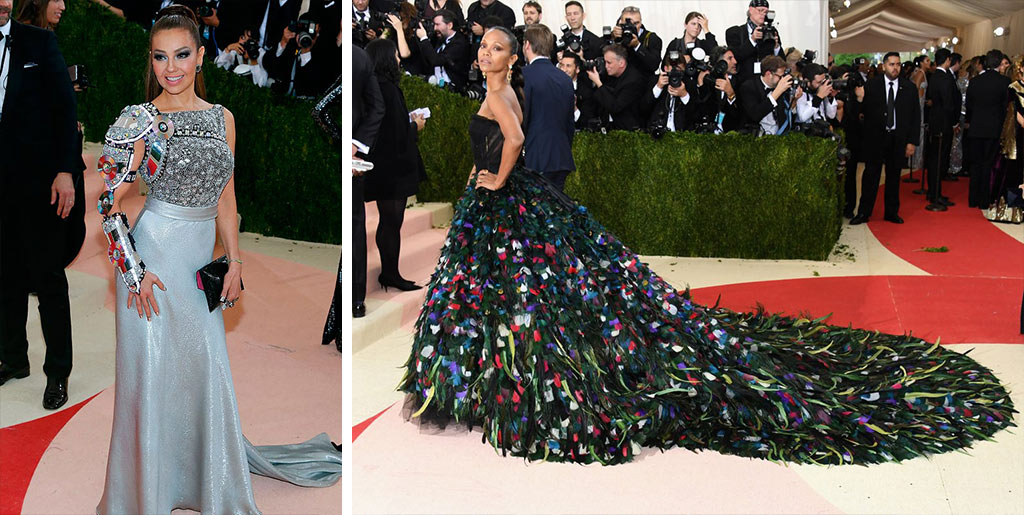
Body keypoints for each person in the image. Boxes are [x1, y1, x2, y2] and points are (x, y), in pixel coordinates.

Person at [398, 25, 1015, 468]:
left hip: (502, 201)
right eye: (483, 45)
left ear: (514, 54)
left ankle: (482, 382)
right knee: (516, 295)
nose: (485, 53)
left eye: (496, 47)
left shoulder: (504, 93)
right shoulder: (509, 85)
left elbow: (511, 139)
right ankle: (485, 379)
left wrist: (501, 176)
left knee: (515, 295)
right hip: (503, 205)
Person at [94, 8, 341, 513]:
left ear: (201, 54)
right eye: (160, 57)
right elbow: (110, 207)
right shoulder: (141, 120)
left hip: (198, 262)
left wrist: (235, 260)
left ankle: (202, 476)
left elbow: (226, 198)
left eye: (182, 54)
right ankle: (147, 492)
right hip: (152, 266)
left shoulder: (222, 118)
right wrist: (135, 273)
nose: (172, 67)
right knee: (152, 374)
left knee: (203, 368)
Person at [0, 0, 80, 410]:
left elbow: (66, 111)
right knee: (5, 276)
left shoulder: (39, 43)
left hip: (40, 184)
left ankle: (58, 372)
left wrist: (66, 169)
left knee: (48, 279)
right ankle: (13, 359)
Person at [364, 38, 428, 292]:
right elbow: (397, 133)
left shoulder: (374, 86)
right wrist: (415, 125)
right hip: (393, 168)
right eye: (395, 55)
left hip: (383, 166)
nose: (398, 60)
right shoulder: (387, 88)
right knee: (392, 222)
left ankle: (390, 272)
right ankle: (391, 274)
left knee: (388, 222)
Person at [850, 52, 919, 225]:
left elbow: (915, 116)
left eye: (898, 64)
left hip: (898, 138)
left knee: (894, 176)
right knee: (871, 175)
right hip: (875, 138)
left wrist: (912, 141)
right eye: (891, 64)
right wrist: (859, 98)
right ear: (884, 65)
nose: (895, 68)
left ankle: (891, 212)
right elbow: (859, 111)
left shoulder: (909, 87)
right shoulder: (872, 85)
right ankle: (864, 212)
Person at [522, 24, 575, 191]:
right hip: (561, 156)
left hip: (535, 157)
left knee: (535, 213)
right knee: (556, 211)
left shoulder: (524, 75)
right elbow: (569, 122)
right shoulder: (565, 78)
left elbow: (522, 118)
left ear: (527, 45)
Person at [965, 50, 1011, 209]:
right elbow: (1006, 107)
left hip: (976, 128)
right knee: (987, 164)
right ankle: (984, 201)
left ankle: (972, 199)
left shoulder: (974, 81)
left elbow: (969, 106)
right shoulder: (1005, 82)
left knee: (975, 164)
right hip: (994, 129)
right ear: (999, 63)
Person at [923, 49, 960, 211]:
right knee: (938, 159)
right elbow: (948, 103)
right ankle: (935, 194)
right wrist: (953, 122)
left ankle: (934, 192)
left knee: (935, 158)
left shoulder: (934, 77)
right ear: (947, 60)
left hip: (936, 121)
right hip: (943, 123)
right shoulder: (944, 78)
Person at [587, 43, 646, 131]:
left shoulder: (633, 80)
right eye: (605, 62)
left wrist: (598, 83)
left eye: (609, 63)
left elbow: (615, 107)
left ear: (621, 63)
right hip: (610, 127)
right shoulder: (610, 75)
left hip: (629, 130)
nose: (606, 66)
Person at [725, 0, 781, 88]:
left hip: (766, 84)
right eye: (760, 10)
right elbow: (736, 57)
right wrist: (752, 40)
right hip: (743, 83)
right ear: (751, 10)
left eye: (766, 12)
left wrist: (776, 47)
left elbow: (781, 61)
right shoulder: (734, 32)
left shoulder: (771, 31)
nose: (763, 14)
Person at [739, 55, 799, 135]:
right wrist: (777, 92)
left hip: (779, 136)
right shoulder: (749, 87)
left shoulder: (783, 89)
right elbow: (755, 115)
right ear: (768, 74)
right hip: (756, 137)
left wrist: (794, 101)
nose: (782, 80)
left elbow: (787, 119)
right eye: (780, 76)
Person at [417, 9, 471, 91]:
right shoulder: (438, 38)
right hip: (434, 85)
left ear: (449, 25)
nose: (435, 28)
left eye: (438, 24)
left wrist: (424, 39)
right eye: (434, 25)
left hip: (453, 90)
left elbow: (437, 60)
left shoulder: (459, 43)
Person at [606, 6, 661, 77]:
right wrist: (612, 38)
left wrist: (637, 46)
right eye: (627, 23)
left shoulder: (651, 38)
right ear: (621, 22)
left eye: (636, 23)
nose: (632, 27)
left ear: (641, 22)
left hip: (643, 83)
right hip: (619, 82)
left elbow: (654, 65)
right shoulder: (616, 36)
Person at [557, 52, 598, 130]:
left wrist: (574, 108)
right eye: (562, 65)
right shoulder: (553, 87)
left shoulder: (586, 92)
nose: (564, 70)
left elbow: (587, 122)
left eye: (568, 66)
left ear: (577, 69)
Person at [909, 55, 930, 175]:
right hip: (919, 104)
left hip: (921, 103)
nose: (929, 62)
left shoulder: (921, 72)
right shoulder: (920, 73)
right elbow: (915, 88)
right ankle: (916, 162)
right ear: (921, 63)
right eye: (927, 60)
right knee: (919, 131)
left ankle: (917, 161)